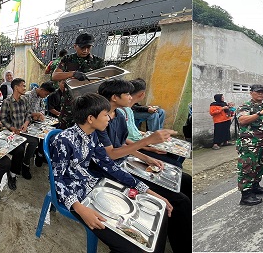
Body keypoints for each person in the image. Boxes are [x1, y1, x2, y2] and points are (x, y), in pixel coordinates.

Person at [47, 93, 172, 253]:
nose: (109, 118)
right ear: (91, 118)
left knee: (152, 224)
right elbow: (56, 179)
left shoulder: (91, 136)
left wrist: (148, 191)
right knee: (133, 248)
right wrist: (79, 208)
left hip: (92, 187)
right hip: (73, 196)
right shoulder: (63, 140)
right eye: (105, 115)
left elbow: (110, 166)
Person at [94, 80, 190, 253]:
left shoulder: (120, 114)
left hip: (125, 161)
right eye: (128, 94)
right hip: (112, 170)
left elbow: (123, 143)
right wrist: (147, 141)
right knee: (180, 202)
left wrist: (146, 157)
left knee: (185, 180)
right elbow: (111, 154)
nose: (132, 97)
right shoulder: (100, 120)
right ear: (115, 97)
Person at [49, 33, 104, 126]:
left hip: (89, 105)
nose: (85, 50)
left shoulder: (98, 62)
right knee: (65, 130)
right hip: (69, 105)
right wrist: (72, 73)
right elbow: (54, 76)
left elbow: (103, 80)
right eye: (82, 47)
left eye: (88, 47)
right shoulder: (67, 59)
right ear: (75, 46)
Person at [0, 78, 50, 179]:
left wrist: (26, 123)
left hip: (23, 130)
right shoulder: (7, 102)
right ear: (16, 87)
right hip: (12, 132)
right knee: (20, 149)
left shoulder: (24, 100)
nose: (24, 88)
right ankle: (13, 172)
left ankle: (26, 164)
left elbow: (28, 114)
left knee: (35, 141)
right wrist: (12, 128)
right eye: (23, 85)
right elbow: (3, 118)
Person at [235, 84, 263, 205]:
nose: (261, 94)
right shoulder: (245, 106)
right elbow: (242, 120)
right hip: (249, 144)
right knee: (247, 168)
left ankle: (255, 186)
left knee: (261, 166)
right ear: (251, 93)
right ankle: (245, 195)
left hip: (262, 143)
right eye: (258, 92)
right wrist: (260, 113)